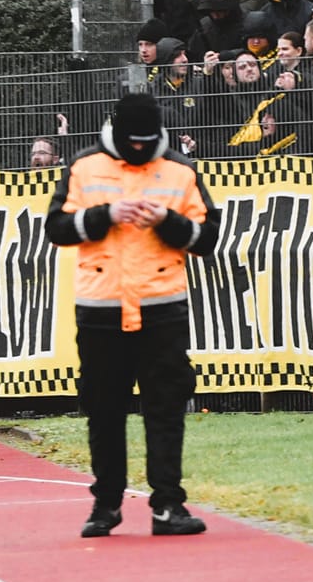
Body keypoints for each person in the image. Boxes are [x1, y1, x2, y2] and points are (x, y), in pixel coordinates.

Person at [46, 91, 219, 538]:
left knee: (166, 409)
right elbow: (56, 229)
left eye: (148, 142)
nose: (140, 150)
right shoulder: (83, 167)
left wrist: (165, 219)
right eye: (131, 143)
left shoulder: (181, 171)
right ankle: (106, 505)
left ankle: (168, 506)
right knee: (103, 411)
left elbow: (206, 240)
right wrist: (105, 215)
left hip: (163, 309)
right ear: (116, 133)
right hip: (100, 310)